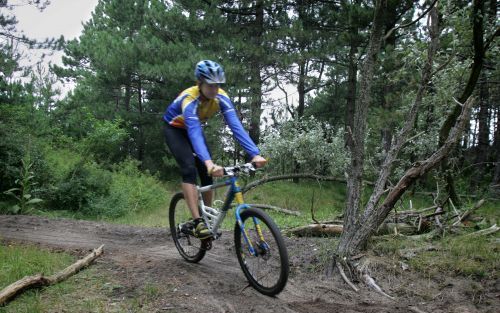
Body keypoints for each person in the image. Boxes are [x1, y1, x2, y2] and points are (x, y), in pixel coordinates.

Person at [163, 60, 266, 239]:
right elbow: (194, 133)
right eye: (210, 85)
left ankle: (207, 216)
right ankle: (197, 222)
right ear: (199, 83)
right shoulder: (189, 98)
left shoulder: (221, 97)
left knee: (206, 173)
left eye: (217, 85)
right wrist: (209, 162)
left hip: (192, 130)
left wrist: (254, 153)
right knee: (189, 168)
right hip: (175, 129)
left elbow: (235, 126)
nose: (214, 89)